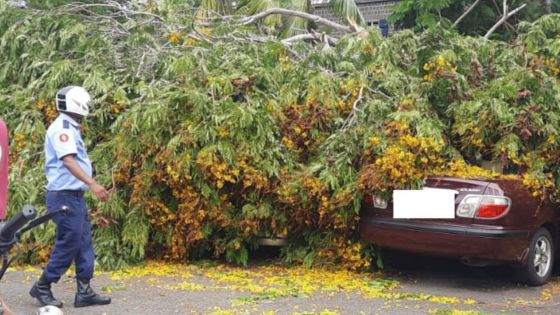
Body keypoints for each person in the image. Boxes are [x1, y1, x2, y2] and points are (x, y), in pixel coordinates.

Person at [29, 86, 111, 308]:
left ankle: (84, 292)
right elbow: (69, 160)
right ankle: (43, 286)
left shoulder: (70, 127)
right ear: (78, 104)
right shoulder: (62, 128)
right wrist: (92, 183)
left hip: (73, 196)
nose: (88, 108)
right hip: (63, 197)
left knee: (83, 242)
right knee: (70, 242)